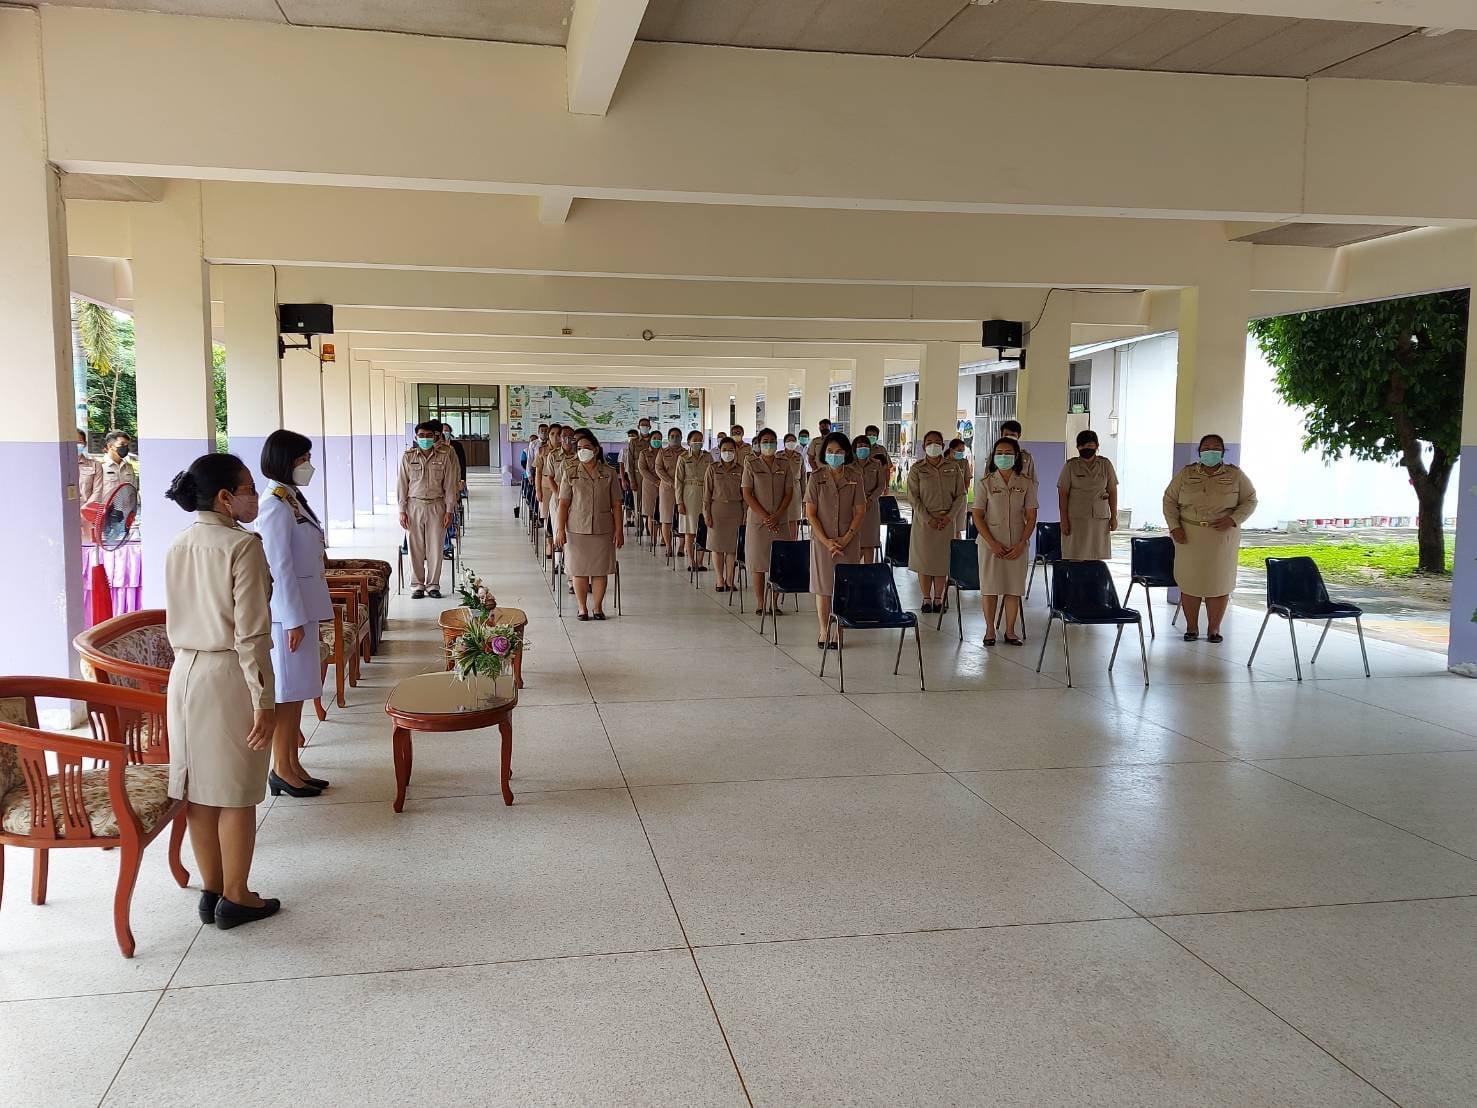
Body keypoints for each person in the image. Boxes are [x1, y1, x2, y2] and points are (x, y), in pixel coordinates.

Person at [162, 453, 279, 929]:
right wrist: (264, 700)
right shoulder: (241, 546)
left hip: (184, 677)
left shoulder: (179, 543)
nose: (254, 495)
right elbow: (251, 635)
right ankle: (238, 895)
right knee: (236, 792)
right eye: (248, 488)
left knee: (199, 791)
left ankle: (211, 891)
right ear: (225, 497)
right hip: (229, 676)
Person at [253, 429, 332, 799]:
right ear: (285, 461)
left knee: (298, 691)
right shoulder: (273, 505)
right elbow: (278, 568)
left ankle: (292, 764)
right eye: (302, 459)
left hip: (303, 609)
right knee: (285, 694)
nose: (308, 465)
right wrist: (292, 619)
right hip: (289, 617)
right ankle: (281, 768)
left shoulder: (291, 499)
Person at [1163, 434, 1257, 643]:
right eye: (1206, 447)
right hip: (1189, 535)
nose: (1210, 451)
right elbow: (1169, 500)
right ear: (1199, 451)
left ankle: (1214, 629)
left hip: (1221, 537)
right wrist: (1174, 527)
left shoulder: (1235, 475)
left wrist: (1233, 519)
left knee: (1219, 583)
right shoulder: (1186, 474)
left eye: (1215, 447)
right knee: (1191, 583)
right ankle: (1191, 628)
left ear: (1223, 451)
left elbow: (1250, 500)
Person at [972, 437, 1037, 646]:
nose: (1003, 457)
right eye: (999, 453)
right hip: (990, 544)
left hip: (1017, 543)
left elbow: (1031, 517)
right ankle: (990, 630)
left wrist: (1022, 543)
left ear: (1016, 456)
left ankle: (1010, 631)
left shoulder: (1026, 483)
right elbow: (977, 516)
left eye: (1008, 453)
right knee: (990, 588)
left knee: (1013, 588)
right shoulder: (985, 483)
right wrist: (992, 543)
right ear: (993, 456)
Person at [805, 431, 866, 649]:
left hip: (848, 541)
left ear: (846, 453)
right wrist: (827, 541)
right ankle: (824, 630)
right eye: (830, 451)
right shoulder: (816, 478)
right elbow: (811, 513)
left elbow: (860, 511)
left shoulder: (855, 477)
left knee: (844, 587)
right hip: (823, 542)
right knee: (823, 587)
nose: (834, 455)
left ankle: (839, 630)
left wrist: (846, 538)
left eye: (839, 451)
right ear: (824, 453)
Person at [556, 428, 623, 620]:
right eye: (579, 448)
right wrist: (560, 530)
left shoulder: (609, 473)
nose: (582, 451)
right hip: (577, 528)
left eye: (586, 447)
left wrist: (619, 530)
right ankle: (582, 608)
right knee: (580, 570)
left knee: (600, 570)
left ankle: (598, 607)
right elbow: (563, 504)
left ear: (596, 449)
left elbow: (616, 504)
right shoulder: (570, 472)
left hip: (603, 529)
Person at [397, 419, 459, 599]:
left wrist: (449, 510)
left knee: (435, 548)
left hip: (437, 506)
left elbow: (449, 486)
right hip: (413, 506)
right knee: (415, 548)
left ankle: (433, 585)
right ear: (416, 437)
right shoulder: (408, 457)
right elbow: (402, 484)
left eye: (429, 435)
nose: (425, 438)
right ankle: (417, 585)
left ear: (435, 437)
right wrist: (402, 510)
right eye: (421, 435)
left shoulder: (444, 456)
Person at [907, 430, 968, 612]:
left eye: (937, 442)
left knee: (942, 561)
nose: (933, 445)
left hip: (946, 522)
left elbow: (961, 494)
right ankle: (926, 598)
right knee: (924, 561)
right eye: (929, 442)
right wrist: (928, 519)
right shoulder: (917, 469)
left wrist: (949, 517)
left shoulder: (953, 468)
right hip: (924, 522)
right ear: (923, 446)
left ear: (943, 445)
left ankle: (939, 598)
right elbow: (913, 497)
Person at [742, 427, 793, 609]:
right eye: (765, 442)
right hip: (758, 522)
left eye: (772, 441)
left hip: (780, 521)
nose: (769, 445)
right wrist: (765, 517)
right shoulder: (751, 464)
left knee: (778, 563)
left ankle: (774, 603)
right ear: (759, 444)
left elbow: (789, 492)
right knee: (758, 564)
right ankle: (761, 603)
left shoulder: (784, 464)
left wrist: (777, 515)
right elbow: (747, 493)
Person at [1057, 430, 1119, 561]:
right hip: (1076, 520)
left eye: (1090, 445)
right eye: (1083, 446)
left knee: (1096, 558)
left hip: (1099, 520)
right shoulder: (1070, 466)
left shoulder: (1105, 465)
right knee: (1076, 557)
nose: (1086, 448)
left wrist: (1114, 516)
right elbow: (1063, 494)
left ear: (1097, 446)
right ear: (1078, 447)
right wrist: (1063, 520)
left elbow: (1112, 491)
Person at [704, 436, 746, 593]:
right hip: (717, 509)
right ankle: (719, 579)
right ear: (719, 451)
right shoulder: (713, 468)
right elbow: (706, 493)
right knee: (717, 547)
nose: (728, 453)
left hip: (735, 510)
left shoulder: (741, 469)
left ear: (735, 451)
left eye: (731, 450)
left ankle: (730, 580)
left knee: (731, 548)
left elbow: (745, 495)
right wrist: (707, 513)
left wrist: (745, 515)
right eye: (724, 450)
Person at [674, 430, 713, 572]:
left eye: (700, 439)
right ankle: (691, 561)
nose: (698, 442)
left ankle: (700, 561)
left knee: (703, 528)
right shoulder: (683, 457)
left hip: (705, 493)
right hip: (688, 495)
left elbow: (713, 476)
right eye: (695, 439)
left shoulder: (708, 457)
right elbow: (678, 481)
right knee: (689, 530)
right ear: (689, 441)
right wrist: (679, 502)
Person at [852, 432, 886, 564]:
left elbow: (881, 485)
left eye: (865, 445)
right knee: (855, 541)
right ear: (855, 448)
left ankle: (868, 570)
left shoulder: (876, 464)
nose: (863, 448)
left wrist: (871, 499)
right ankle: (854, 569)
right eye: (860, 446)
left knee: (869, 542)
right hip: (853, 507)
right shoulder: (849, 466)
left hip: (871, 507)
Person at [539, 422, 567, 558]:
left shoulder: (569, 451)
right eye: (552, 434)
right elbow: (538, 472)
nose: (555, 437)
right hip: (547, 489)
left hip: (563, 490)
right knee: (548, 519)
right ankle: (550, 544)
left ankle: (561, 547)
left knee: (561, 519)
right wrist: (538, 490)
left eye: (558, 434)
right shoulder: (543, 451)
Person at [655, 427, 684, 555]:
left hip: (683, 489)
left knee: (683, 518)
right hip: (667, 489)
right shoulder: (662, 452)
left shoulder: (685, 453)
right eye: (672, 436)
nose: (675, 438)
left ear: (681, 438)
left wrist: (680, 484)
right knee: (666, 518)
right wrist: (671, 482)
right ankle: (668, 546)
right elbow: (658, 469)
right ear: (668, 438)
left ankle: (681, 547)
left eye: (677, 436)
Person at [638, 425, 662, 545]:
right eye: (655, 438)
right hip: (649, 485)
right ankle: (653, 538)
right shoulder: (644, 453)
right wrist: (655, 481)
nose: (657, 440)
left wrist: (662, 480)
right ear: (650, 439)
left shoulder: (665, 453)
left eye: (659, 439)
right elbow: (643, 470)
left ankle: (663, 538)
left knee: (663, 513)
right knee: (651, 512)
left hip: (664, 485)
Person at [782, 431, 806, 535]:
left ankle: (793, 542)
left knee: (794, 519)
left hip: (796, 492)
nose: (791, 442)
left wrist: (805, 496)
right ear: (784, 443)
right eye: (788, 440)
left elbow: (803, 478)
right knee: (782, 518)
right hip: (781, 490)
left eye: (793, 441)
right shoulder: (778, 456)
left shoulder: (799, 457)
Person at [619, 428, 642, 528]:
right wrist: (623, 480)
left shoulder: (640, 449)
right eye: (629, 436)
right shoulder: (624, 450)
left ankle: (637, 521)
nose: (631, 438)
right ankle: (628, 520)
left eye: (633, 436)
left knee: (637, 500)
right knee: (628, 499)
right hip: (627, 476)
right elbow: (621, 465)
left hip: (638, 476)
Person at [77, 429, 102, 506]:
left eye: (79, 442)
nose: (76, 445)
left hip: (86, 508)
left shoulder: (95, 465)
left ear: (85, 444)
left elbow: (97, 491)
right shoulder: (59, 466)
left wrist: (85, 508)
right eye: (72, 442)